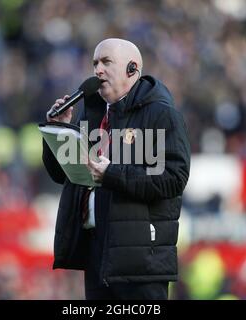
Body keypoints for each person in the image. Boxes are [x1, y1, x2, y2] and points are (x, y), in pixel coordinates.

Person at [42, 38, 190, 300]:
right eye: (95, 63)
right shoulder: (93, 114)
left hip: (141, 260)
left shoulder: (161, 114)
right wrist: (61, 129)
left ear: (132, 69)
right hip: (98, 252)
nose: (97, 70)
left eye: (106, 62)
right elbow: (62, 175)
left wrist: (112, 174)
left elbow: (173, 178)